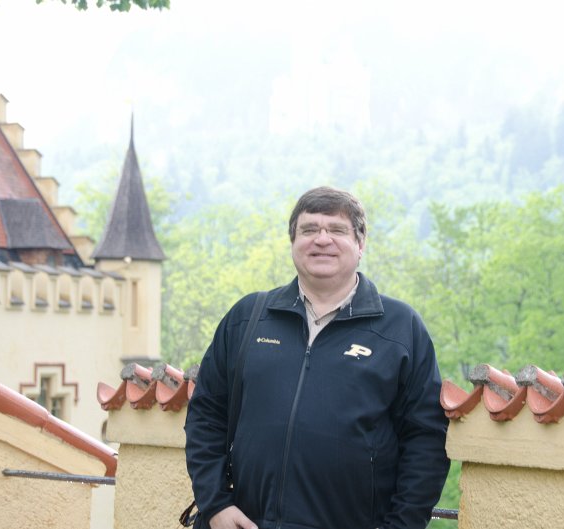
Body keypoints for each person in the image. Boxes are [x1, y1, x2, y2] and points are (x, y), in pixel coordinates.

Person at [185, 186, 450, 529]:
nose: (322, 240)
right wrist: (216, 504)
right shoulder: (248, 318)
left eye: (337, 229)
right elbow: (206, 415)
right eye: (309, 229)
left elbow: (426, 441)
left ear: (360, 243)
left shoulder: (400, 328)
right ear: (293, 242)